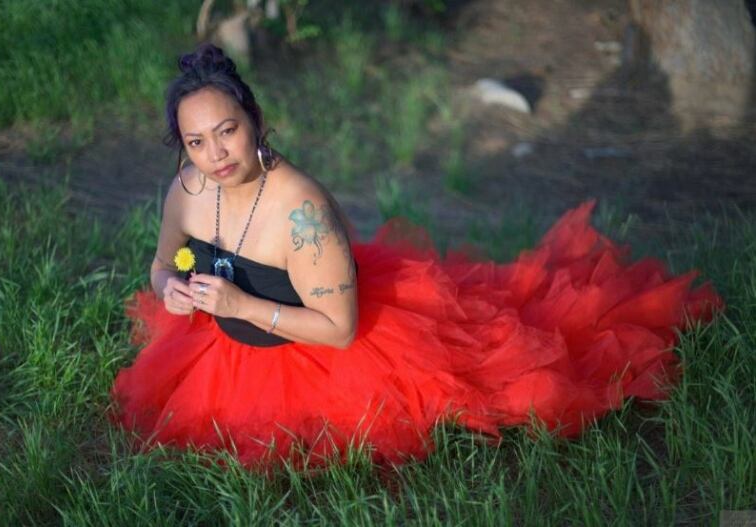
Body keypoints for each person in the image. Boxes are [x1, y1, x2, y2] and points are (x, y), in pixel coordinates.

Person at [110, 43, 723, 470]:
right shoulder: (188, 190)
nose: (216, 153)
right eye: (197, 141)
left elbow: (342, 330)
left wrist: (242, 303)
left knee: (502, 377)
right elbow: (162, 265)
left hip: (313, 353)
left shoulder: (303, 214)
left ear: (256, 121)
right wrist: (169, 288)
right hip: (224, 349)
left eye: (228, 129)